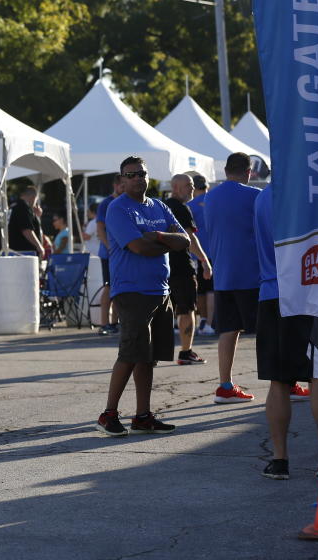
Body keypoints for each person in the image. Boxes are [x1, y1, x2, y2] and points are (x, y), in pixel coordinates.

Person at [95, 156, 187, 437]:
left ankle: (143, 416)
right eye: (131, 174)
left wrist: (156, 235)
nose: (137, 178)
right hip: (131, 290)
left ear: (148, 177)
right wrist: (164, 241)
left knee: (148, 358)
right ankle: (108, 413)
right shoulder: (117, 208)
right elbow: (137, 247)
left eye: (141, 173)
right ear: (122, 181)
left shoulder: (159, 206)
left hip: (160, 290)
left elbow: (184, 241)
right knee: (131, 353)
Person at [253, 184, 316, 479]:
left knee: (279, 381)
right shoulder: (311, 191)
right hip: (311, 294)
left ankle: (280, 460)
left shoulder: (263, 197)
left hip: (272, 293)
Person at [205, 153, 262, 403]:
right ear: (249, 172)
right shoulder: (254, 196)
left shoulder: (210, 196)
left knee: (228, 330)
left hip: (224, 274)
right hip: (252, 274)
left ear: (226, 169)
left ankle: (225, 385)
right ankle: (286, 383)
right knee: (271, 330)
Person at [165, 174, 212, 365]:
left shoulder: (162, 206)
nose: (192, 189)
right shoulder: (182, 209)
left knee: (166, 312)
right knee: (187, 310)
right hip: (182, 267)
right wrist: (204, 260)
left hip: (164, 266)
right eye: (188, 185)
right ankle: (186, 352)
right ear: (176, 187)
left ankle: (153, 353)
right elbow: (191, 239)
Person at [95, 175, 126, 335]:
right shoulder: (106, 204)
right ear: (115, 185)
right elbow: (100, 230)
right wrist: (110, 248)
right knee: (109, 287)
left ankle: (115, 321)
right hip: (108, 255)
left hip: (121, 255)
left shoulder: (126, 202)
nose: (124, 188)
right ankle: (104, 323)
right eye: (122, 185)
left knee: (119, 287)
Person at [187, 174, 214, 336]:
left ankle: (204, 320)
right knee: (211, 289)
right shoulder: (214, 202)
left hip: (197, 252)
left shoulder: (190, 205)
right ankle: (210, 323)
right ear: (206, 187)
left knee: (202, 290)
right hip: (215, 250)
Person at [8, 186, 44, 254]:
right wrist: (39, 246)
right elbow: (27, 230)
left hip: (15, 250)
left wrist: (35, 216)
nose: (36, 203)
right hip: (24, 252)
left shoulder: (14, 206)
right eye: (36, 200)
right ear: (33, 197)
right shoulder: (23, 208)